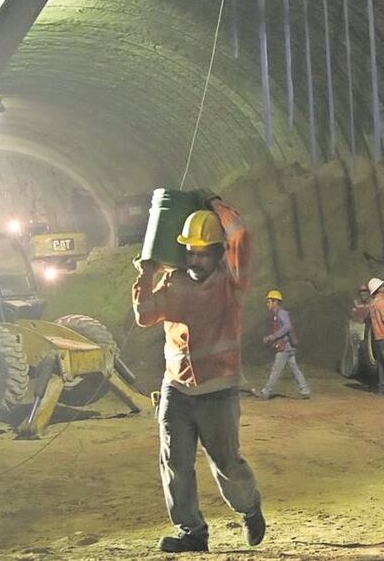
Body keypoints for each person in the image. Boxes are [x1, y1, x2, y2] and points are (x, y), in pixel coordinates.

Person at [133, 197, 265, 554]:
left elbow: (240, 235)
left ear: (219, 253)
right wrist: (146, 273)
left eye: (203, 253)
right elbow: (144, 315)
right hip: (176, 389)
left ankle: (249, 508)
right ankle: (192, 532)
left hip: (218, 391)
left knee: (226, 464)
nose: (195, 259)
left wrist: (216, 204)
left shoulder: (231, 282)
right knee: (174, 463)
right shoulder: (173, 282)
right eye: (190, 252)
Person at [252, 290, 311, 400]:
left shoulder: (281, 313)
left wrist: (273, 337)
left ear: (275, 302)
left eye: (269, 302)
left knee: (276, 370)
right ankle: (305, 390)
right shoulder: (278, 314)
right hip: (288, 347)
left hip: (285, 347)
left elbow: (287, 326)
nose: (267, 304)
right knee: (294, 368)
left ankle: (266, 392)